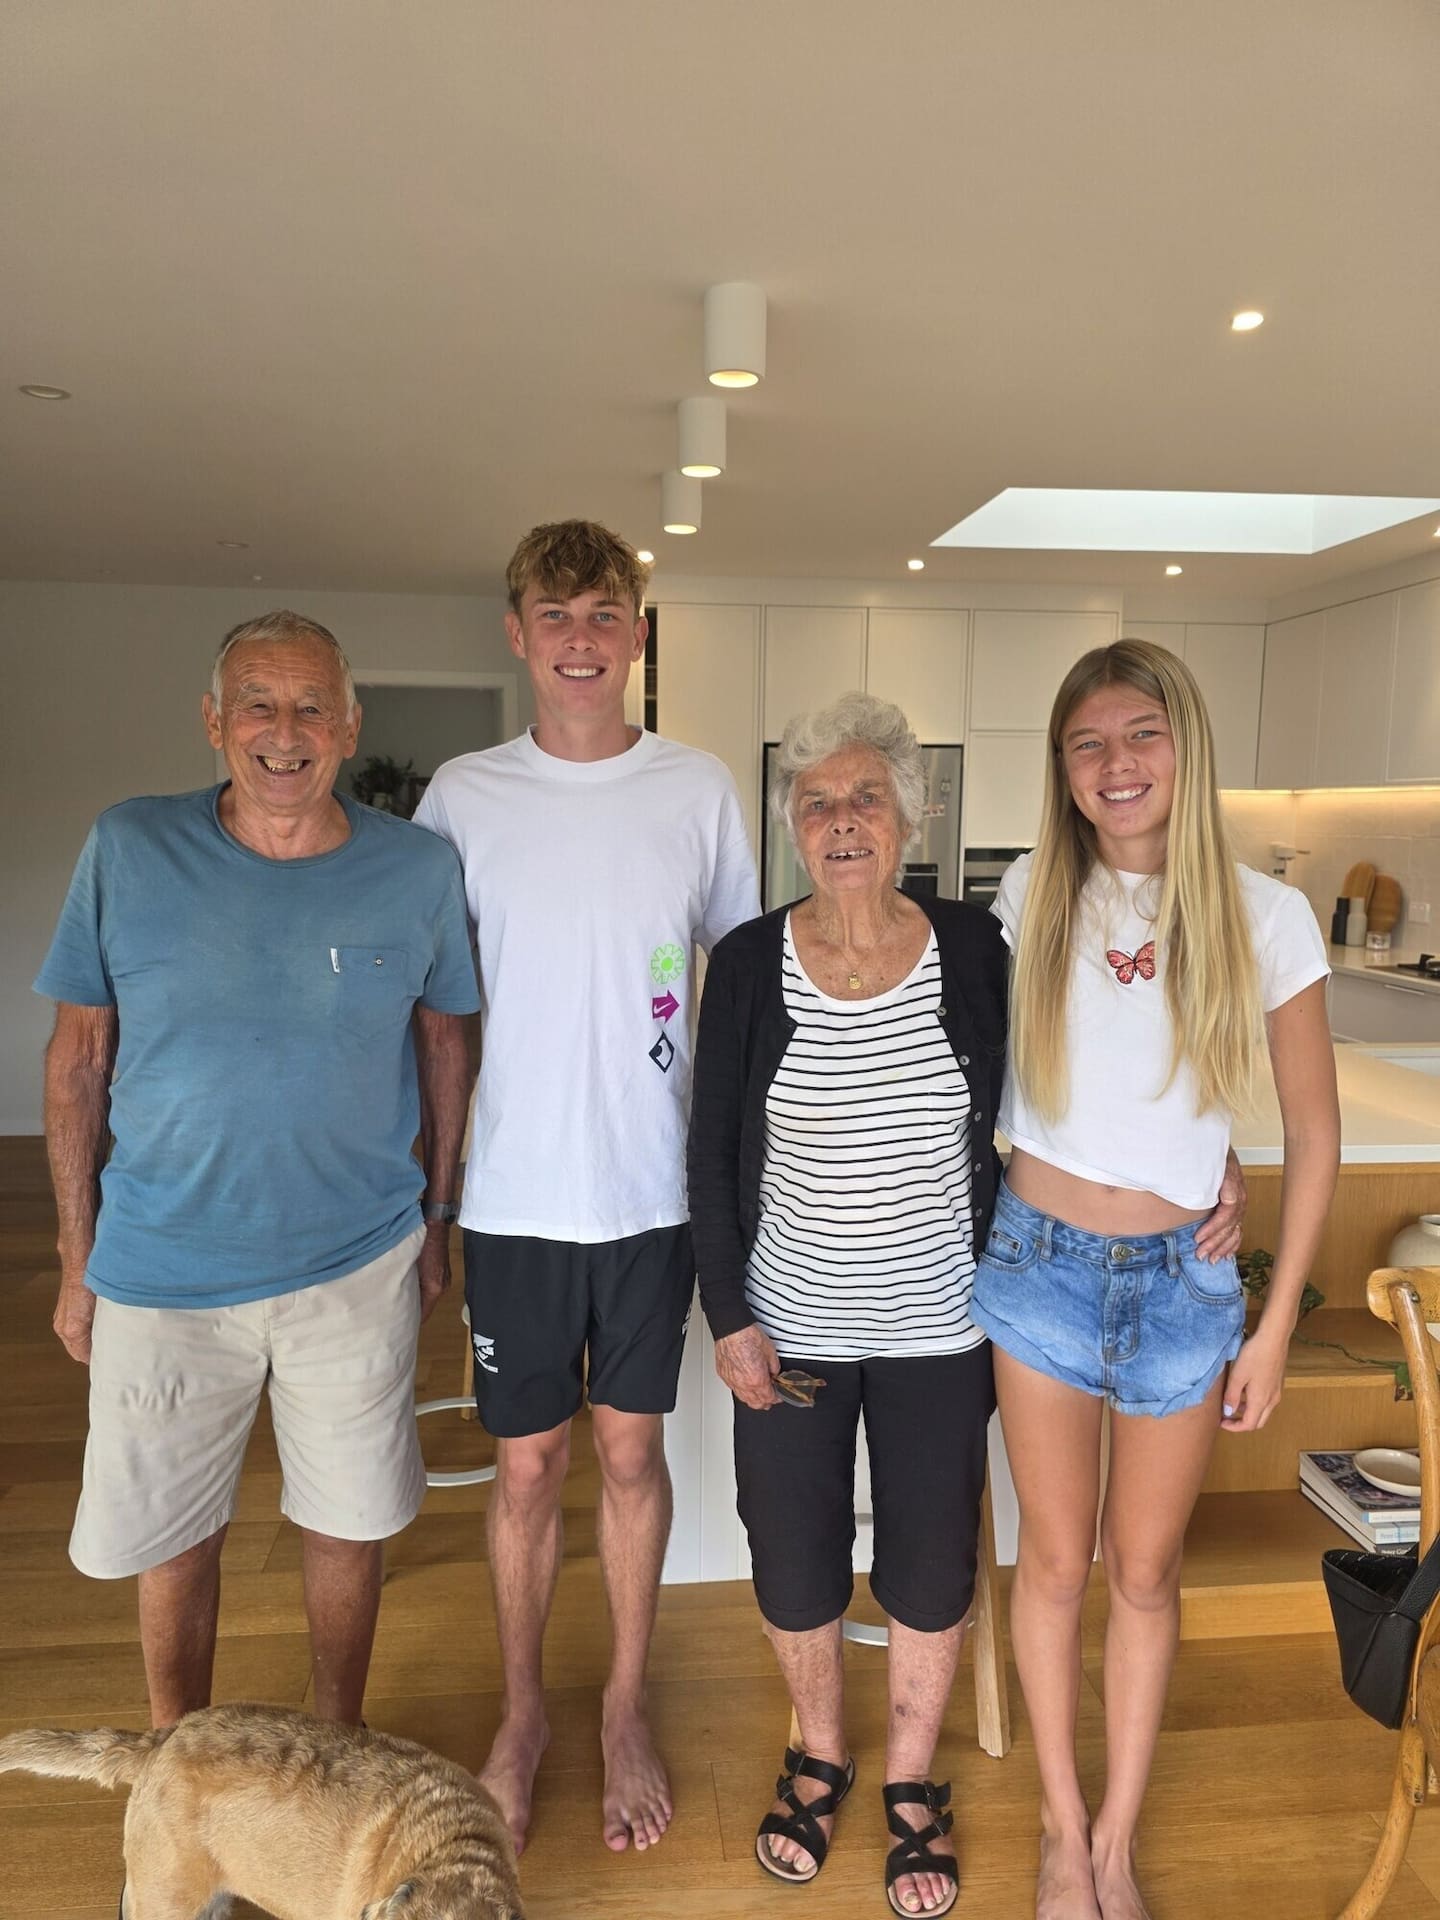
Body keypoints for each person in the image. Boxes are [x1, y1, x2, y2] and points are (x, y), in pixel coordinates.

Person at [36, 610, 480, 1737]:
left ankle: (335, 1749)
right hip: (161, 1274)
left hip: (354, 1266)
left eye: (311, 707)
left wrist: (438, 1218)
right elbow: (78, 1058)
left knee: (348, 1523)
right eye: (259, 707)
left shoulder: (418, 867)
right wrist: (75, 1258)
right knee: (175, 1538)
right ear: (214, 722)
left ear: (350, 724)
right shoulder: (129, 848)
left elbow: (444, 1043)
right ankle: (177, 1770)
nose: (286, 734)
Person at [969, 640, 1340, 1920]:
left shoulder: (1264, 914)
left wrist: (1277, 1322)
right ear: (1063, 771)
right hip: (1038, 1269)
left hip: (1186, 1288)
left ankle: (1119, 1845)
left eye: (1140, 736)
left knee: (1143, 1575)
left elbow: (1316, 1131)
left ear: (1185, 746)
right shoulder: (1028, 896)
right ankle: (1063, 1837)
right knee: (1055, 1567)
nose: (1115, 764)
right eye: (1087, 743)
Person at [413, 520, 759, 1857]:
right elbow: (436, 1013)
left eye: (604, 612)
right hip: (511, 1198)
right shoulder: (462, 796)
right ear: (517, 633)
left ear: (639, 633)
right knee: (525, 1467)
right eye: (553, 615)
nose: (578, 638)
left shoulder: (697, 789)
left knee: (627, 1454)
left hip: (650, 1195)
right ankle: (520, 1716)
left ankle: (619, 1708)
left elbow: (742, 990)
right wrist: (433, 1198)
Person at [686, 691, 1007, 1919]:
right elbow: (713, 1153)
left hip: (943, 1329)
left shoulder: (972, 949)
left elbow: (1029, 1119)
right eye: (815, 802)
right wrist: (730, 1317)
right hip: (792, 1325)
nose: (842, 820)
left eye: (865, 795)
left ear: (910, 813)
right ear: (793, 828)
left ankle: (914, 1781)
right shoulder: (756, 962)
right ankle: (819, 1754)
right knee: (796, 1553)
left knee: (931, 1564)